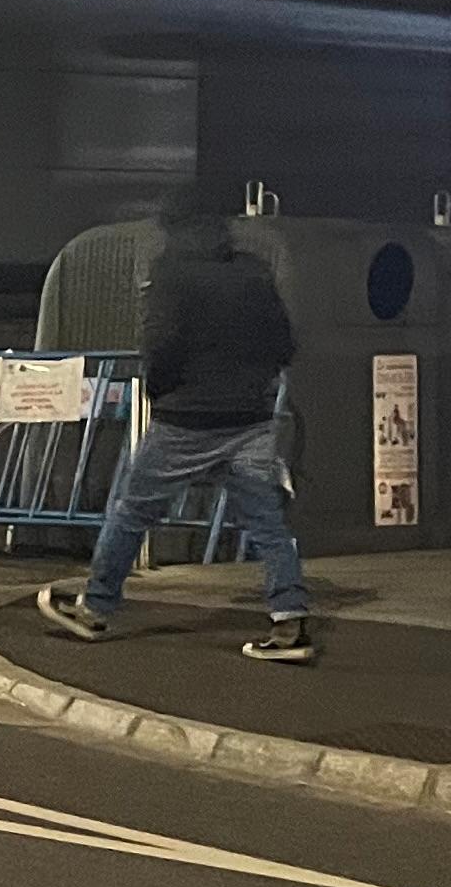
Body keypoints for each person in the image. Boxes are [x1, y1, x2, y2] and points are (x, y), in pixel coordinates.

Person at [40, 213, 313, 664]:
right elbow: (284, 343)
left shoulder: (171, 275)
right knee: (267, 524)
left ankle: (95, 607)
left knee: (132, 510)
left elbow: (160, 344)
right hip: (249, 418)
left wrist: (161, 387)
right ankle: (289, 620)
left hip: (186, 419)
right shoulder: (254, 273)